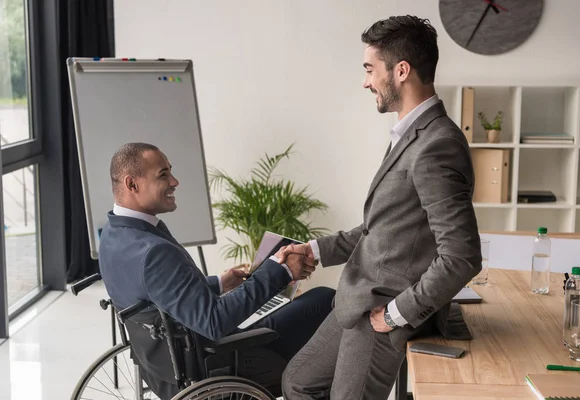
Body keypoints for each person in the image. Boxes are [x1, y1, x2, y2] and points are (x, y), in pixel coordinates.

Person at [277, 15, 482, 399]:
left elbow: (462, 256)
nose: (365, 81)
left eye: (370, 69)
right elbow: (384, 228)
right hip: (356, 301)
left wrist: (395, 314)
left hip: (382, 311)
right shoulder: (409, 135)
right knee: (298, 382)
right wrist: (315, 250)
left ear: (401, 71)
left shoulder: (437, 145)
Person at [98, 142, 335, 399]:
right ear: (132, 184)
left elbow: (158, 292)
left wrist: (219, 284)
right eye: (163, 174)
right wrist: (282, 271)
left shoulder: (114, 235)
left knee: (320, 298)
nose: (175, 181)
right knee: (330, 306)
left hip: (162, 366)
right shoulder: (154, 251)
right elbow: (213, 322)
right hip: (216, 362)